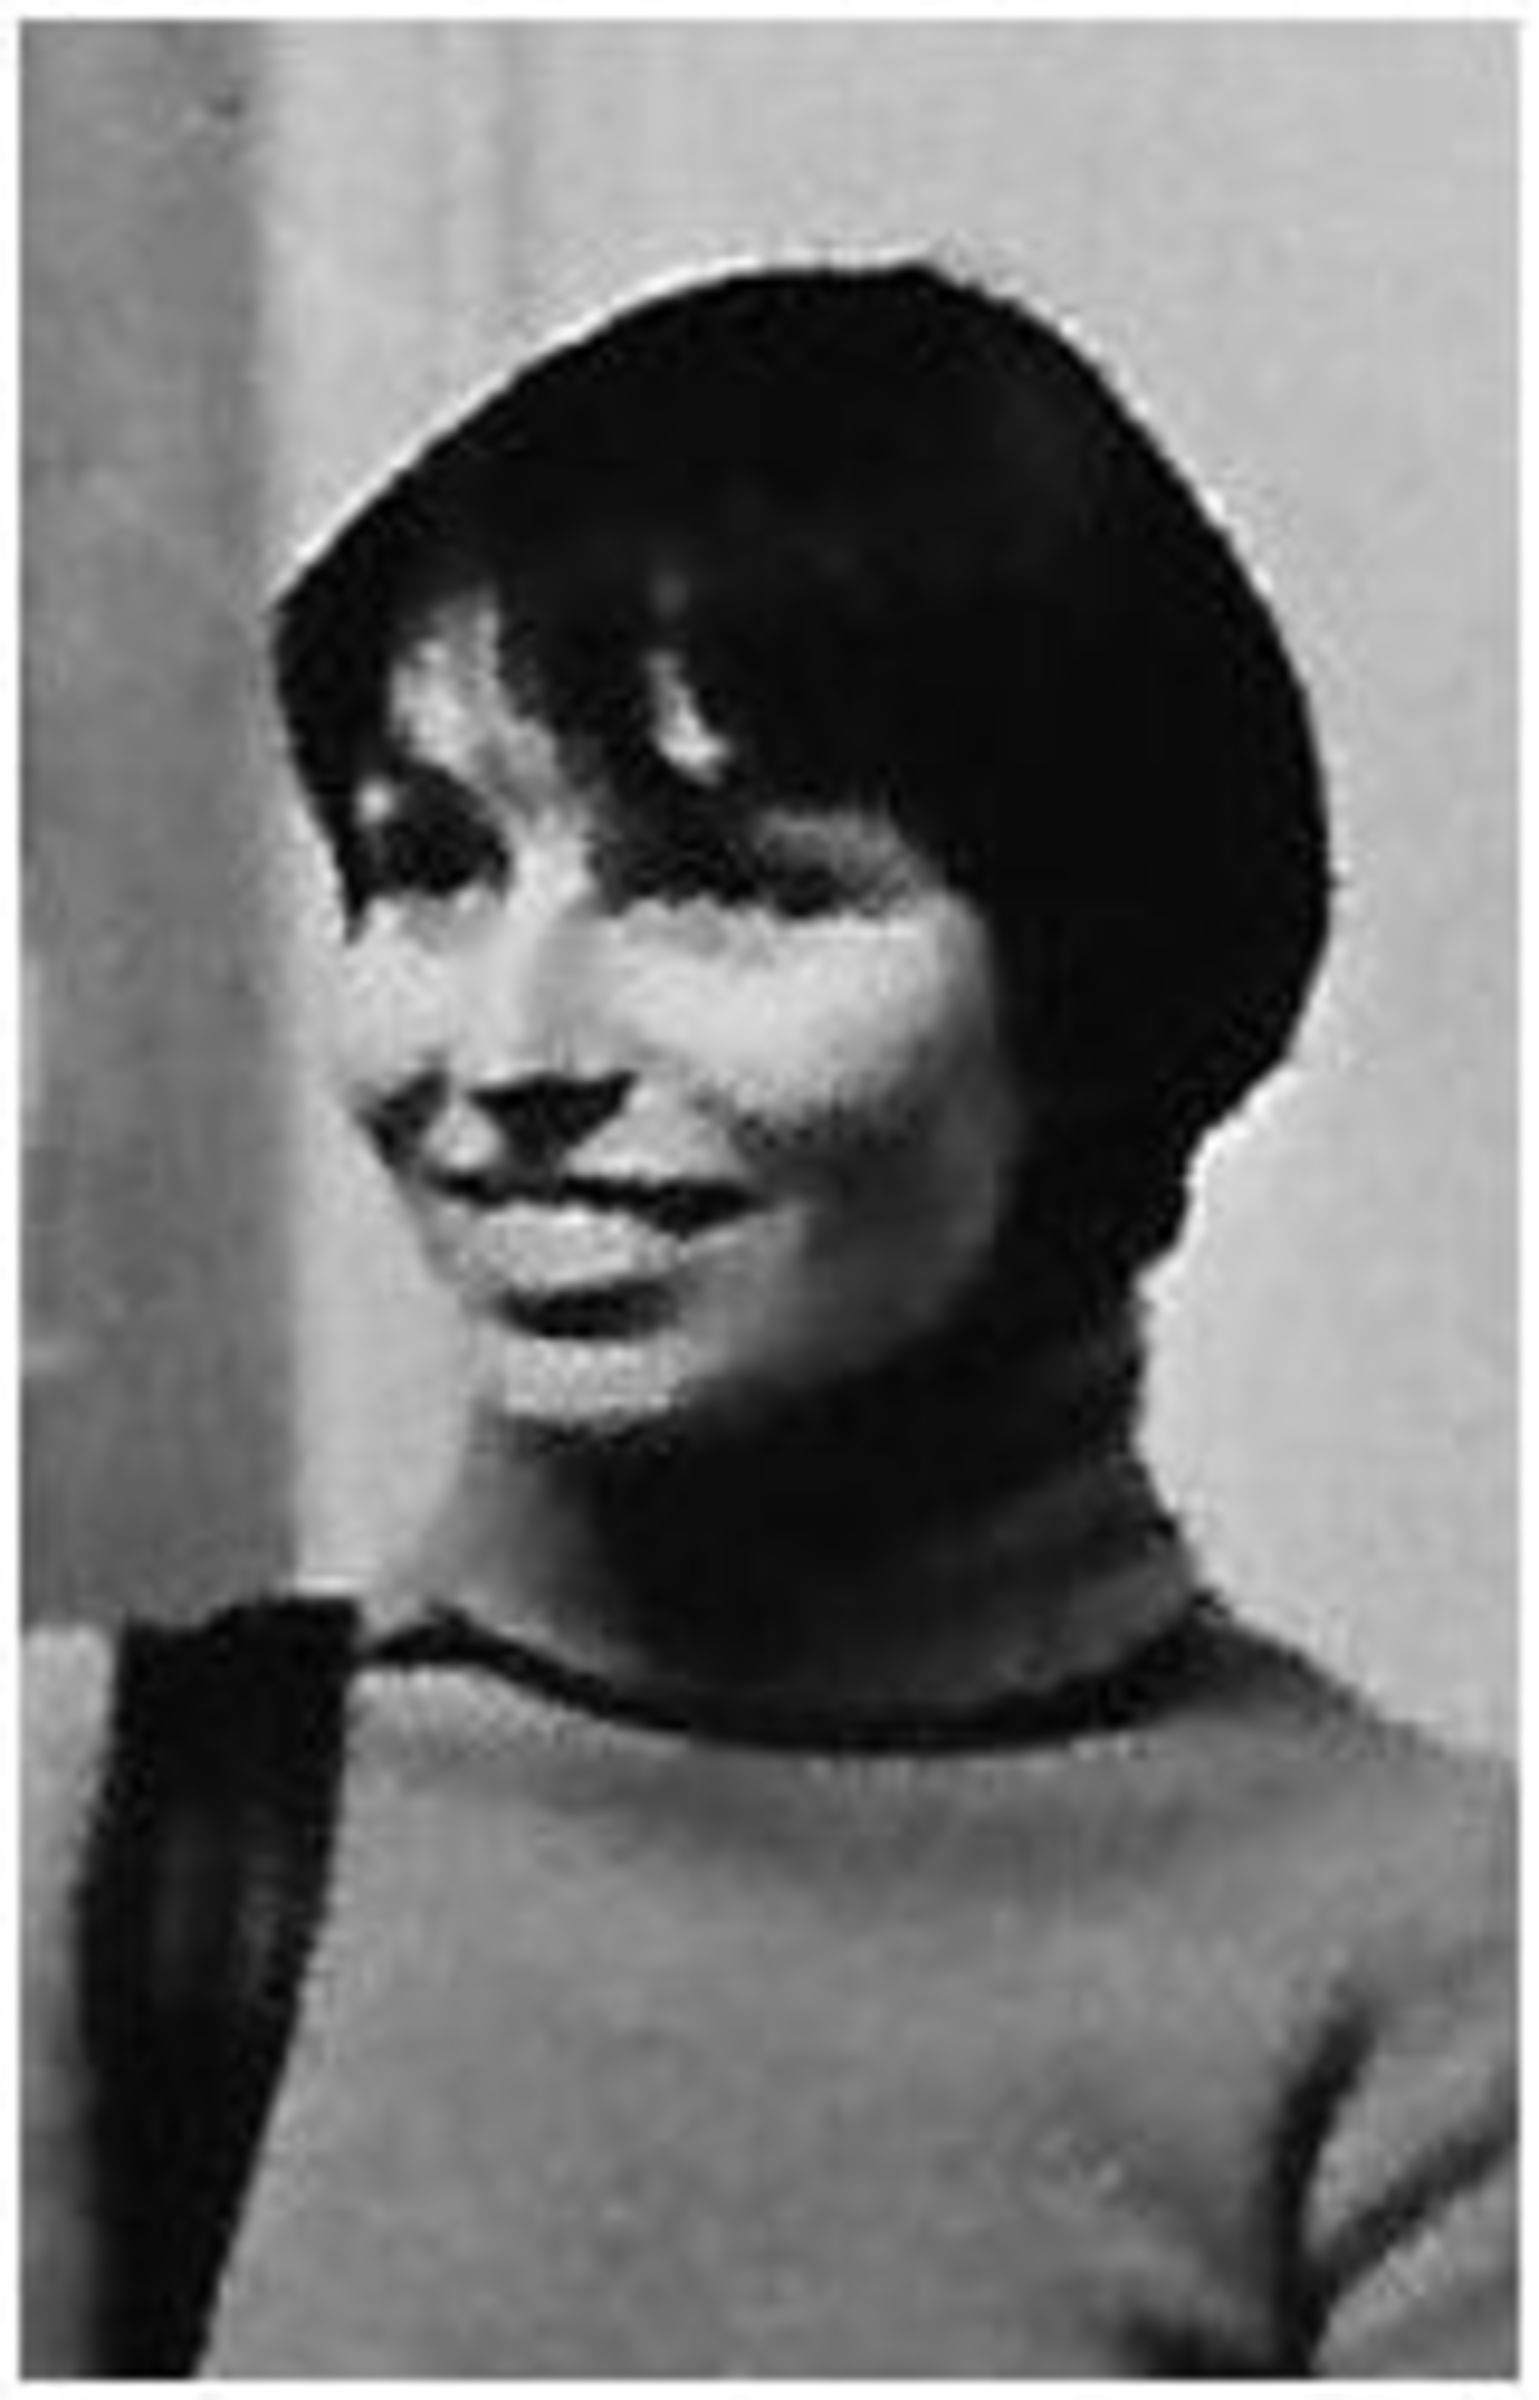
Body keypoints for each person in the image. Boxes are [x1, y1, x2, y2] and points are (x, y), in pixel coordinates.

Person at [25, 259, 1514, 2378]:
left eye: (726, 883)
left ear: (1095, 1003)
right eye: (429, 864)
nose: (510, 1051)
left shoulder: (1442, 1984)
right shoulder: (84, 1829)